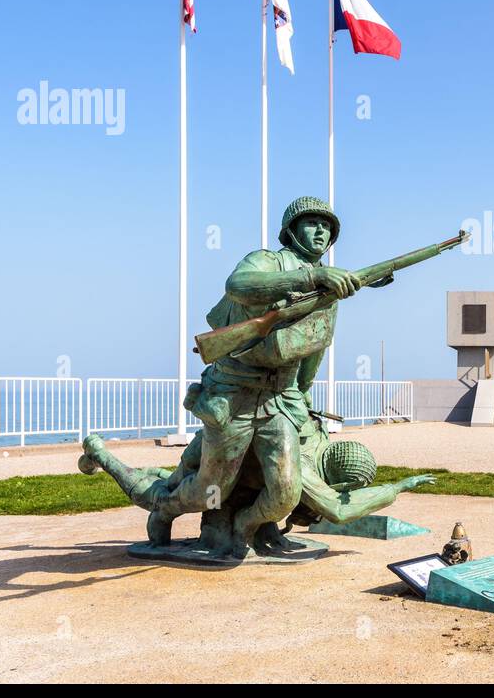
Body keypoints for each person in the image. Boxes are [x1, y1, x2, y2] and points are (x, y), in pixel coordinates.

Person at [79, 195, 435, 558]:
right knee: (209, 490)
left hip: (278, 401)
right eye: (312, 223)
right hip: (232, 397)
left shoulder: (330, 293)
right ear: (291, 230)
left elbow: (312, 351)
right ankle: (165, 509)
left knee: (285, 491)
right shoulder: (268, 260)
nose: (320, 232)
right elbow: (239, 285)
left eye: (327, 227)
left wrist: (302, 400)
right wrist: (314, 275)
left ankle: (246, 528)